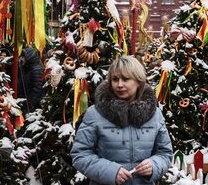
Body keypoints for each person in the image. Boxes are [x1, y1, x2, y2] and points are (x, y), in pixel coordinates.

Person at [71, 56, 172, 184]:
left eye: (125, 79)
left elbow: (165, 154)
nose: (119, 84)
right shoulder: (94, 114)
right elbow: (80, 155)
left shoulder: (155, 114)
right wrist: (110, 172)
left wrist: (154, 165)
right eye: (115, 79)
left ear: (138, 81)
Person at [17, 47, 44, 114]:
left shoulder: (36, 70)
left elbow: (37, 90)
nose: (21, 59)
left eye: (23, 57)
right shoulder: (26, 69)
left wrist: (29, 105)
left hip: (32, 108)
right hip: (25, 104)